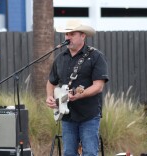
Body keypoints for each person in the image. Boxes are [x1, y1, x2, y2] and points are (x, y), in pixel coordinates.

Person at [46, 20, 109, 155]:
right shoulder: (60, 58)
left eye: (72, 34)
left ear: (83, 36)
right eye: (66, 34)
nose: (68, 37)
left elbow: (98, 86)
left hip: (89, 115)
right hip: (67, 116)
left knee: (90, 152)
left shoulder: (96, 56)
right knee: (69, 153)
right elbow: (51, 82)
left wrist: (81, 94)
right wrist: (50, 97)